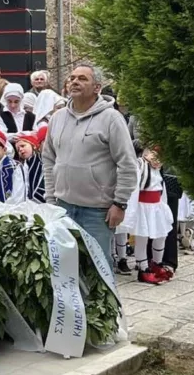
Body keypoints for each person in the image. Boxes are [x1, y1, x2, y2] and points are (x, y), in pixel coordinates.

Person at [42, 63, 137, 265]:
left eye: (82, 78)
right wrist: (50, 200)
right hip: (63, 208)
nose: (74, 82)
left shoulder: (112, 119)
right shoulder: (57, 118)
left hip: (97, 213)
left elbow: (127, 163)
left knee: (98, 271)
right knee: (67, 269)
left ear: (97, 87)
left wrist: (120, 203)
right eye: (72, 78)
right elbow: (49, 160)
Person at [116, 149, 174, 284]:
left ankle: (157, 264)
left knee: (161, 236)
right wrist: (131, 210)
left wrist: (164, 206)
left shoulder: (159, 168)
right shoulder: (140, 164)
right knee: (142, 238)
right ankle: (143, 269)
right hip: (143, 206)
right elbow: (134, 188)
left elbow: (162, 188)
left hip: (157, 206)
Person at [15, 133, 45, 202]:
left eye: (23, 146)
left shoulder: (41, 160)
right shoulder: (23, 166)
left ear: (33, 146)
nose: (20, 150)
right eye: (18, 149)